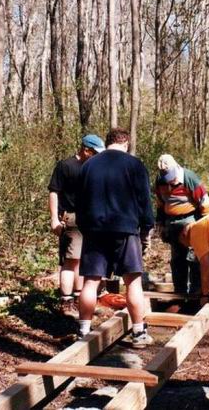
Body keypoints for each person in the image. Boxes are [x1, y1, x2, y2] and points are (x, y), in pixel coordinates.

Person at [75, 128, 155, 348]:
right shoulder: (134, 165)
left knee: (91, 282)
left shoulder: (88, 165)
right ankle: (139, 333)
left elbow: (79, 202)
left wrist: (85, 227)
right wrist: (147, 227)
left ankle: (83, 331)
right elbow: (144, 201)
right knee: (133, 281)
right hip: (125, 229)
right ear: (126, 144)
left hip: (94, 229)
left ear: (107, 142)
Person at [48, 134, 105, 318]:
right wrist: (54, 219)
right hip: (71, 218)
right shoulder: (66, 166)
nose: (97, 156)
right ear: (86, 149)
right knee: (70, 260)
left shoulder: (94, 168)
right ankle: (66, 302)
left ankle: (81, 301)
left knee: (84, 260)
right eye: (94, 152)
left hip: (90, 219)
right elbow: (54, 192)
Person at [155, 154, 209, 294]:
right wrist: (161, 223)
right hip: (172, 222)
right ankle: (179, 291)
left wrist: (204, 226)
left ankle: (196, 291)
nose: (170, 181)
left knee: (194, 258)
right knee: (177, 259)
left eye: (172, 177)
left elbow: (205, 203)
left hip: (191, 220)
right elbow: (160, 203)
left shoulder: (189, 178)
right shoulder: (160, 180)